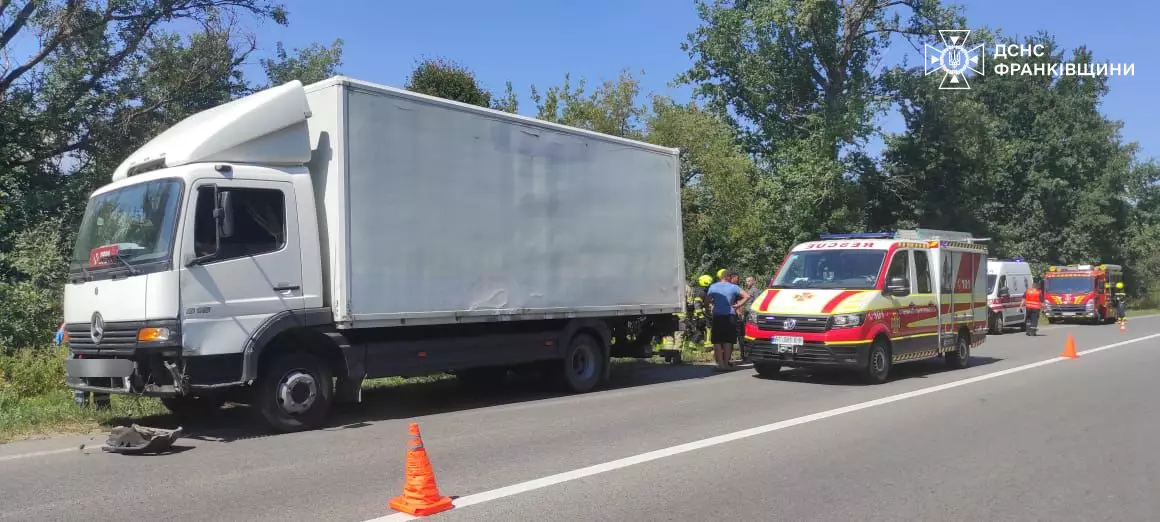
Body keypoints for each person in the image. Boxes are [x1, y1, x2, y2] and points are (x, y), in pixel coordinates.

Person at [707, 269, 749, 370]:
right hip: (730, 315)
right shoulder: (734, 287)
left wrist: (707, 307)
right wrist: (738, 304)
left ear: (721, 277)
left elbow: (707, 300)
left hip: (718, 315)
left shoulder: (713, 286)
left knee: (717, 341)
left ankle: (720, 365)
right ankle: (726, 364)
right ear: (729, 277)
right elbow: (747, 296)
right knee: (728, 341)